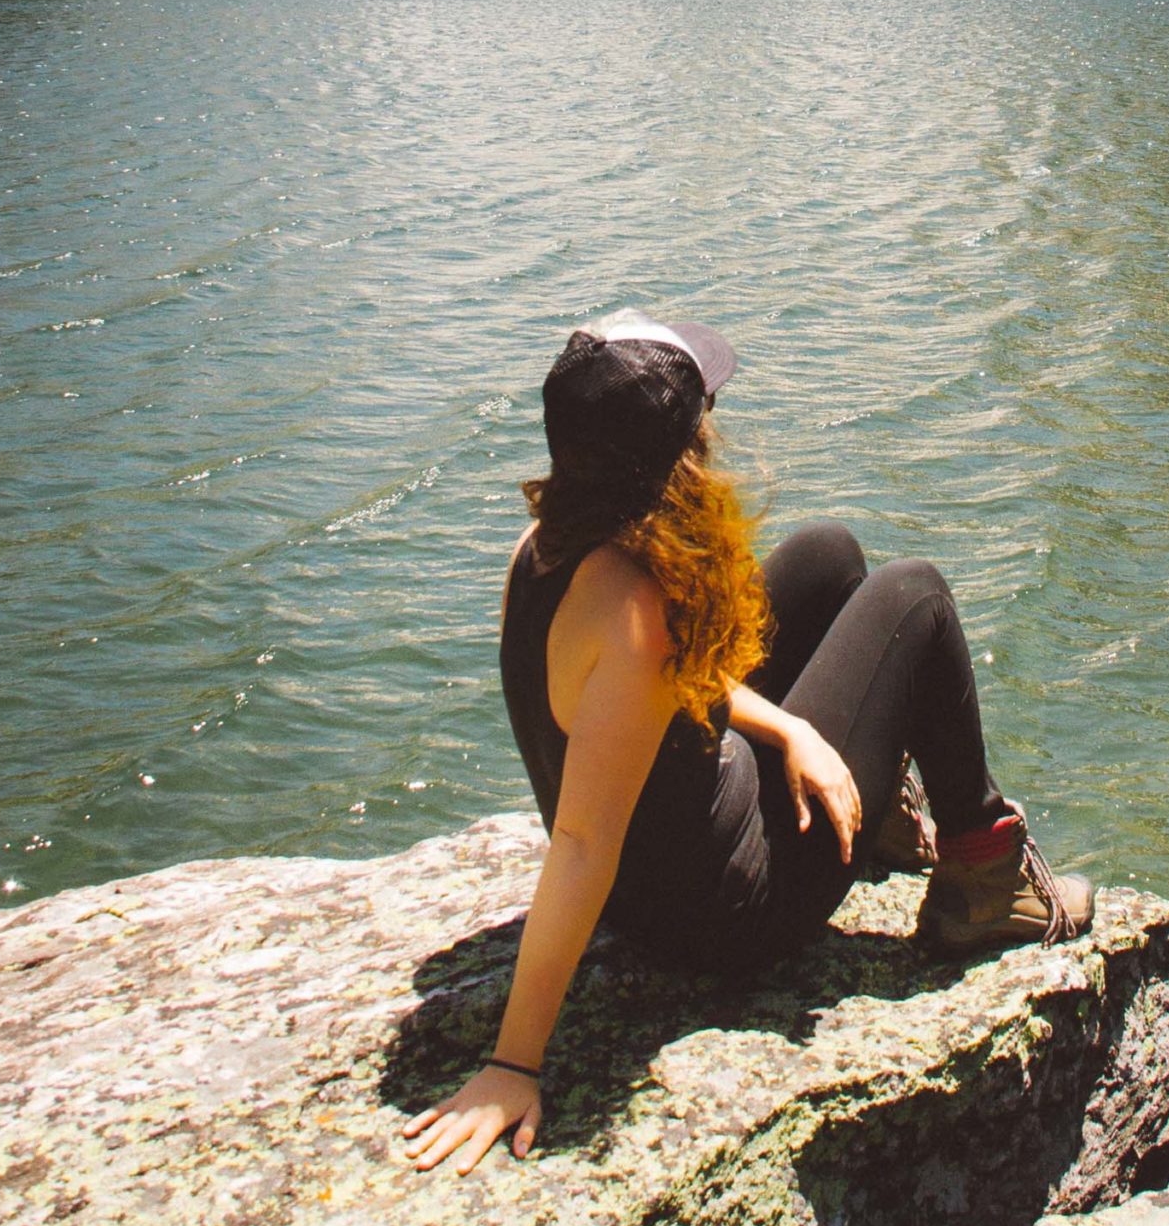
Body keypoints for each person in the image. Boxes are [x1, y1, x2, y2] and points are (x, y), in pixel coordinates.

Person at [401, 311, 1092, 1177]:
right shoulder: (629, 613)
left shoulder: (546, 550)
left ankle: (871, 815)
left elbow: (646, 692)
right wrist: (513, 1065)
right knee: (913, 596)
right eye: (704, 421)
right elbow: (580, 844)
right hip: (729, 917)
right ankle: (987, 883)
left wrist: (790, 727)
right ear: (679, 459)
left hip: (670, 869)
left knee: (826, 553)